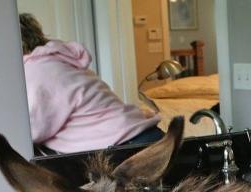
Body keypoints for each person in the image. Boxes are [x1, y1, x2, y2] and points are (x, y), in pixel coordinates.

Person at [20, 13, 163, 154]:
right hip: (142, 135)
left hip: (124, 145)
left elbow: (34, 130)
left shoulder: (37, 70)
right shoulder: (58, 61)